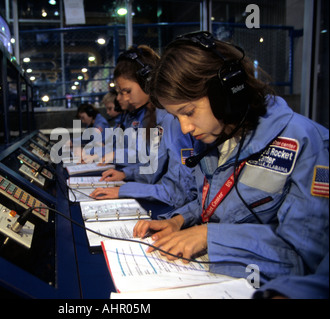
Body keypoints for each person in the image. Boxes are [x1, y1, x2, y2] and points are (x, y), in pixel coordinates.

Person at [133, 31, 329, 286]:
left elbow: (306, 257)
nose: (185, 128)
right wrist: (179, 220)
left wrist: (210, 236)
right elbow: (220, 201)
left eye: (188, 112)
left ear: (226, 94)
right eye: (176, 117)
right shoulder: (216, 135)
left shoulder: (308, 144)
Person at [89, 45, 196, 208]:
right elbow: (150, 165)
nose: (121, 98)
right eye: (119, 92)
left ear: (148, 82)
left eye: (127, 91)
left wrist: (124, 190)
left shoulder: (172, 119)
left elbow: (179, 193)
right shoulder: (153, 115)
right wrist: (126, 174)